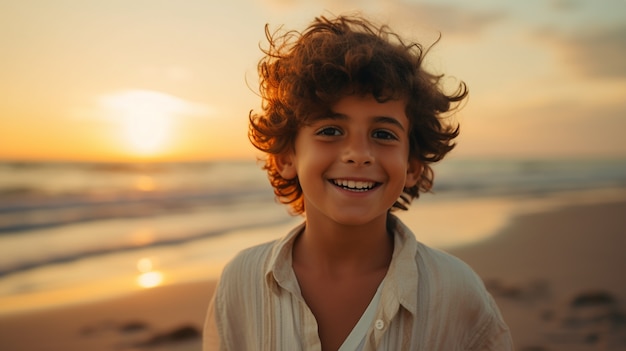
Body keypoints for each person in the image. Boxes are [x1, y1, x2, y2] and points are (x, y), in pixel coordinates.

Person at [204, 14, 513, 351]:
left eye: (383, 134)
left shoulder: (455, 291)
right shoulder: (241, 282)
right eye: (330, 131)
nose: (358, 154)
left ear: (411, 165)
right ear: (287, 157)